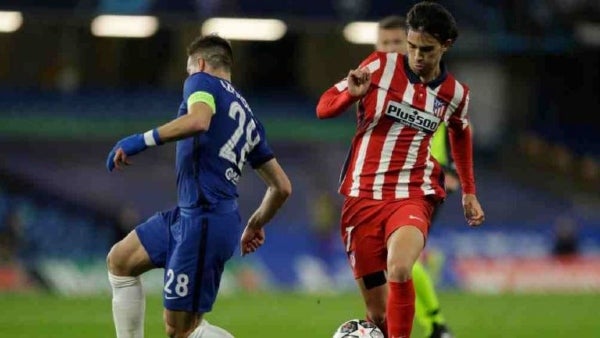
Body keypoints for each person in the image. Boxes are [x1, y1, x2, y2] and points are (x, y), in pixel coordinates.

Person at [316, 2, 485, 338]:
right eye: (411, 47)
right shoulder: (378, 67)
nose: (417, 56)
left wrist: (469, 190)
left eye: (427, 49)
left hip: (413, 193)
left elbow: (461, 132)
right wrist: (350, 95)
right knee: (377, 315)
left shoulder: (455, 94)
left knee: (401, 266)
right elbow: (323, 108)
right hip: (362, 197)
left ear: (445, 46)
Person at [105, 34, 292, 338]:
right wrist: (255, 224)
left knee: (181, 330)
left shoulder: (201, 81)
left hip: (205, 219)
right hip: (192, 216)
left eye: (189, 70)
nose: (188, 78)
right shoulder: (249, 117)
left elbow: (198, 121)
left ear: (201, 64)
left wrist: (141, 140)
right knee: (120, 260)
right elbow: (282, 186)